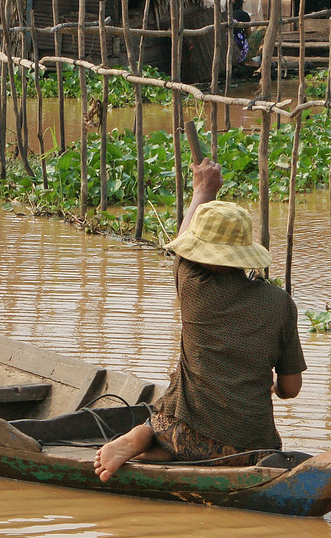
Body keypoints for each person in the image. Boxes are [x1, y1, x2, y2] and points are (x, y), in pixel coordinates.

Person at [93, 158, 306, 481]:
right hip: (251, 450)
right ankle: (156, 446)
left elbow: (182, 245)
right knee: (226, 442)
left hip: (183, 433)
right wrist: (272, 386)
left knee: (167, 423)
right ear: (245, 252)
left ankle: (148, 435)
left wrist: (202, 190)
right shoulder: (280, 304)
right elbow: (291, 388)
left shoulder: (194, 287)